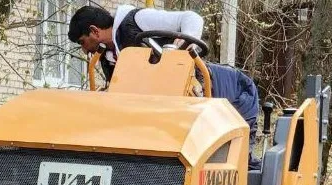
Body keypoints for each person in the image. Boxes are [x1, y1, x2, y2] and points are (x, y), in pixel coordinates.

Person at [68, 5, 261, 169]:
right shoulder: (108, 59)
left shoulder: (137, 21)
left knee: (231, 163)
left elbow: (192, 18)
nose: (85, 50)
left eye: (83, 42)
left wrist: (179, 48)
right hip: (178, 106)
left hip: (229, 90)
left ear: (94, 31)